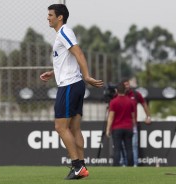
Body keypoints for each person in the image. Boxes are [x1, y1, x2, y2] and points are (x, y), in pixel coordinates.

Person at [40, 4, 104, 180]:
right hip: (73, 84)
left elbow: (79, 54)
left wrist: (87, 76)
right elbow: (67, 59)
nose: (48, 18)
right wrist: (53, 72)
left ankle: (76, 166)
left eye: (51, 15)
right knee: (74, 128)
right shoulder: (63, 33)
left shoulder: (64, 32)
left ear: (60, 17)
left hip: (69, 86)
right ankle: (82, 166)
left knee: (60, 127)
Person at [121, 78, 151, 166]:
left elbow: (144, 104)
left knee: (133, 145)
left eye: (128, 84)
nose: (127, 86)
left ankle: (134, 164)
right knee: (123, 146)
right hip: (121, 124)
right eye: (125, 85)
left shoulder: (135, 94)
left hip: (132, 124)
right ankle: (124, 164)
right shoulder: (119, 95)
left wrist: (148, 116)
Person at [105, 82, 136, 166]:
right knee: (129, 148)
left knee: (117, 148)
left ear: (116, 90)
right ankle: (130, 165)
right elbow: (133, 116)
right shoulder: (130, 101)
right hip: (128, 127)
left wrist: (108, 129)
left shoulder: (114, 102)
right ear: (125, 90)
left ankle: (116, 165)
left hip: (117, 128)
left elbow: (111, 117)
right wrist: (133, 127)